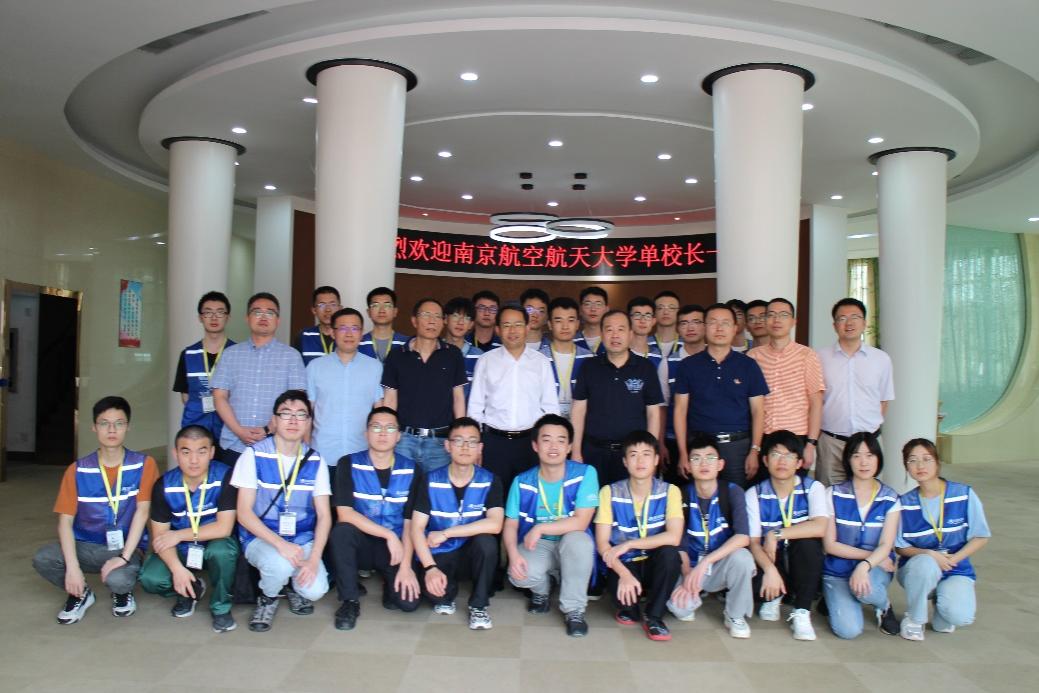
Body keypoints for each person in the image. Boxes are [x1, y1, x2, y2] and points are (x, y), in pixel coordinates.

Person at [32, 396, 159, 624]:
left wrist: (123, 557)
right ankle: (80, 593)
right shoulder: (77, 470)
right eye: (104, 423)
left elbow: (142, 513)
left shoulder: (144, 464)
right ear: (94, 427)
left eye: (119, 423)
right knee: (44, 558)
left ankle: (121, 592)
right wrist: (72, 568)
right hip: (84, 546)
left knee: (119, 580)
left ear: (128, 427)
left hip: (125, 547)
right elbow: (64, 522)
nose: (112, 430)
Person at [231, 390, 331, 632]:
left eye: (301, 414)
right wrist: (280, 544)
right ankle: (268, 597)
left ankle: (289, 584)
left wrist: (314, 558)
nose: (293, 420)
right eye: (286, 414)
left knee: (316, 590)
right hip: (260, 536)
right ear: (274, 420)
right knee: (279, 565)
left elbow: (324, 516)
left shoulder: (316, 460)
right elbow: (243, 513)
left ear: (308, 422)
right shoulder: (253, 455)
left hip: (301, 538)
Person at [504, 414, 599, 637]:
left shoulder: (585, 473)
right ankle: (543, 589)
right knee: (518, 575)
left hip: (570, 540)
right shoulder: (522, 481)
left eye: (561, 440)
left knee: (579, 542)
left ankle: (574, 610)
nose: (553, 446)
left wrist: (540, 528)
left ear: (569, 447)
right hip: (540, 545)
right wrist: (512, 555)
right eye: (546, 440)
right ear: (535, 445)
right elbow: (510, 523)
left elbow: (581, 521)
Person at [328, 407, 421, 630]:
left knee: (407, 603)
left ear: (398, 436)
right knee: (341, 531)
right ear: (366, 433)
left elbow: (410, 523)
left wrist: (406, 566)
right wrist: (388, 534)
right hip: (361, 543)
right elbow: (345, 513)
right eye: (376, 427)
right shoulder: (348, 464)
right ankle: (349, 600)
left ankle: (390, 581)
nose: (383, 433)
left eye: (390, 428)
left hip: (395, 549)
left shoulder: (412, 469)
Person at [140, 425, 239, 632]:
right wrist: (177, 569)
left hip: (213, 543)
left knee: (222, 551)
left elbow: (224, 528)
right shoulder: (164, 485)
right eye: (186, 452)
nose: (194, 460)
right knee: (151, 579)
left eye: (201, 452)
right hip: (181, 549)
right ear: (175, 453)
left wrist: (178, 534)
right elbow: (160, 538)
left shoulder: (225, 477)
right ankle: (190, 589)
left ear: (211, 452)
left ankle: (220, 606)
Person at [410, 418, 505, 630]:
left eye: (472, 442)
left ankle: (479, 606)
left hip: (471, 555)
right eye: (458, 440)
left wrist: (447, 532)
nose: (465, 447)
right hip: (440, 553)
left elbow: (495, 524)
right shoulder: (430, 480)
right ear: (447, 445)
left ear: (480, 448)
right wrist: (430, 568)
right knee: (436, 596)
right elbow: (416, 528)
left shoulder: (490, 480)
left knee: (487, 543)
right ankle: (447, 591)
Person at [895, 438, 990, 641]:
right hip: (918, 568)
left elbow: (981, 536)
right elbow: (900, 547)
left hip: (955, 567)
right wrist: (929, 554)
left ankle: (941, 602)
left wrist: (953, 559)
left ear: (937, 462)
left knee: (959, 617)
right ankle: (915, 618)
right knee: (926, 564)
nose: (920, 465)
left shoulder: (963, 494)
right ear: (906, 467)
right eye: (912, 460)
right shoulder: (904, 503)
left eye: (926, 459)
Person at [595, 430, 683, 641]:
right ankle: (631, 606)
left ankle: (654, 616)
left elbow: (674, 537)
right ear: (625, 462)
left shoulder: (670, 491)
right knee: (628, 608)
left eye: (646, 454)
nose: (640, 461)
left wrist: (629, 544)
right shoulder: (609, 492)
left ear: (656, 459)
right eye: (633, 455)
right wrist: (624, 574)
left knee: (671, 554)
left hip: (655, 563)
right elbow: (602, 543)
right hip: (624, 563)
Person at [666, 433, 755, 639]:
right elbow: (677, 540)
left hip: (718, 564)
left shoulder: (732, 492)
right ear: (688, 465)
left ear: (721, 464)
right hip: (688, 565)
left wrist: (706, 562)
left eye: (710, 458)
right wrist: (688, 573)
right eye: (696, 458)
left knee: (743, 558)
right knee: (680, 610)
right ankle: (697, 590)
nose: (703, 463)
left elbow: (743, 537)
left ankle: (735, 614)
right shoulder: (679, 494)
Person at [672, 304, 769, 488]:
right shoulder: (688, 365)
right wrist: (683, 453)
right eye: (713, 323)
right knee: (700, 498)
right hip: (700, 446)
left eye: (725, 323)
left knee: (736, 498)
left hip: (738, 447)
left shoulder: (748, 365)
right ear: (704, 327)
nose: (719, 328)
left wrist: (754, 451)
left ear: (734, 328)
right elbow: (680, 410)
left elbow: (758, 411)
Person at [468, 302, 560, 492]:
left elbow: (551, 408)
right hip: (494, 442)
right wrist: (475, 444)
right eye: (506, 325)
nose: (512, 330)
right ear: (498, 329)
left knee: (529, 496)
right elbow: (475, 407)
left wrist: (549, 443)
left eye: (518, 325)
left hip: (530, 443)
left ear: (527, 327)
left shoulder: (541, 362)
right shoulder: (486, 361)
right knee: (494, 497)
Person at [746, 431, 827, 641]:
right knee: (749, 578)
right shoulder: (754, 494)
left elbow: (820, 527)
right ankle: (776, 593)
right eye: (776, 454)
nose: (782, 461)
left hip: (801, 560)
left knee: (808, 544)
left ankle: (802, 611)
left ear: (799, 462)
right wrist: (770, 570)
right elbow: (753, 542)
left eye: (789, 455)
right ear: (765, 460)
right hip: (771, 559)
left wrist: (776, 534)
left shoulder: (813, 488)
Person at [211, 292, 307, 465]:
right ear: (247, 318)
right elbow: (219, 397)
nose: (263, 317)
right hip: (234, 445)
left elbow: (297, 401)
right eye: (257, 312)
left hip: (276, 445)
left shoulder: (291, 356)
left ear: (277, 320)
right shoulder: (230, 354)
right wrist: (239, 431)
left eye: (270, 313)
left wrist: (268, 429)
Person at [821, 432, 900, 639]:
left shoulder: (890, 498)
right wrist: (867, 558)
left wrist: (865, 566)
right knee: (848, 631)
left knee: (867, 590)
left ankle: (883, 606)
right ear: (848, 460)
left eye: (870, 455)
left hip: (875, 568)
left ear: (878, 459)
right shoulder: (833, 494)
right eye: (856, 456)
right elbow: (830, 545)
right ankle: (834, 597)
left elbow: (886, 545)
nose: (863, 462)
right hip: (838, 570)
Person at [572, 310, 664, 485]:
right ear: (602, 334)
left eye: (621, 329)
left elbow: (653, 413)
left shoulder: (645, 368)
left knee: (628, 500)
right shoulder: (589, 367)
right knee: (594, 499)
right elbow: (578, 410)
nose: (615, 335)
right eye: (609, 330)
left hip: (632, 455)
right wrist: (576, 451)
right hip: (594, 452)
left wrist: (649, 453)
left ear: (630, 334)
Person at [382, 298, 468, 472]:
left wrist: (460, 436)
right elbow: (390, 400)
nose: (432, 321)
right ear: (414, 321)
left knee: (436, 487)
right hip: (404, 440)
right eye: (426, 315)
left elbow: (458, 398)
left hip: (440, 441)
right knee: (402, 485)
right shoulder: (397, 355)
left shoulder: (453, 355)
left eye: (437, 316)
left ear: (443, 322)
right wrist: (390, 434)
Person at [816, 298, 895, 486]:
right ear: (834, 325)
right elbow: (814, 400)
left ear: (864, 323)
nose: (849, 323)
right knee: (829, 497)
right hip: (832, 443)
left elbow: (883, 400)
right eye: (842, 318)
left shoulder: (881, 359)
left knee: (869, 495)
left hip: (868, 443)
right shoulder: (819, 358)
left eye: (855, 317)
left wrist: (870, 431)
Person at [747, 298, 825, 476]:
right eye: (771, 315)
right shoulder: (753, 356)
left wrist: (811, 444)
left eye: (783, 315)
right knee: (762, 489)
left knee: (794, 491)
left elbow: (816, 403)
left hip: (796, 438)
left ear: (793, 321)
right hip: (762, 438)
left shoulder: (807, 355)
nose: (776, 320)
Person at [306, 307, 384, 485]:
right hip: (323, 454)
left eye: (355, 328)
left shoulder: (374, 367)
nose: (349, 334)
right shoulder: (315, 367)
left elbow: (379, 410)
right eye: (343, 328)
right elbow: (308, 413)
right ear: (333, 333)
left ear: (362, 334)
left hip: (361, 453)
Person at [172, 291, 235, 451]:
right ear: (200, 317)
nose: (214, 317)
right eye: (208, 312)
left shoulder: (238, 353)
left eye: (220, 312)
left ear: (228, 317)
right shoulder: (188, 354)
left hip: (229, 429)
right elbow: (185, 397)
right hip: (196, 428)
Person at [660, 304, 705, 483]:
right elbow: (662, 407)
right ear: (677, 328)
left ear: (705, 326)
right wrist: (660, 443)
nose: (690, 327)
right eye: (684, 323)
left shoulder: (717, 360)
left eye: (696, 322)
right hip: (673, 440)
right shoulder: (667, 363)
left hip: (707, 440)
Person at [538, 296, 593, 419]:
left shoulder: (589, 358)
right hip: (546, 422)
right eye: (558, 321)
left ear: (577, 324)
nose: (565, 326)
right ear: (550, 324)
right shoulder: (539, 358)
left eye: (570, 320)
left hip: (580, 421)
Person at [442, 296, 483, 401]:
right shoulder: (434, 350)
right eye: (455, 316)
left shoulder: (479, 356)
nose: (460, 322)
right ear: (445, 319)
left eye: (466, 318)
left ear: (471, 324)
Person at [359, 287, 409, 362]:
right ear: (368, 312)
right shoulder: (358, 343)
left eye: (387, 305)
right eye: (375, 305)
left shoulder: (407, 343)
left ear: (395, 311)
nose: (381, 310)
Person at [294, 286, 340, 365]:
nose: (328, 310)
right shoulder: (304, 336)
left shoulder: (348, 336)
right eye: (321, 305)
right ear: (314, 310)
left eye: (333, 304)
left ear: (340, 308)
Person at [627, 296, 664, 369]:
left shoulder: (659, 356)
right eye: (637, 315)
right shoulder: (619, 351)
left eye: (648, 316)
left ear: (653, 321)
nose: (642, 320)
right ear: (627, 319)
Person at [573, 286, 608, 354]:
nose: (593, 309)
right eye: (587, 304)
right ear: (580, 310)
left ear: (606, 309)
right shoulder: (571, 340)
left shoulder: (613, 339)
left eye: (598, 304)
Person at [653, 290, 682, 360]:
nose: (666, 312)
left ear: (679, 312)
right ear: (654, 313)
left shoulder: (687, 344)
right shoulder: (645, 344)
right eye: (660, 308)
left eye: (671, 308)